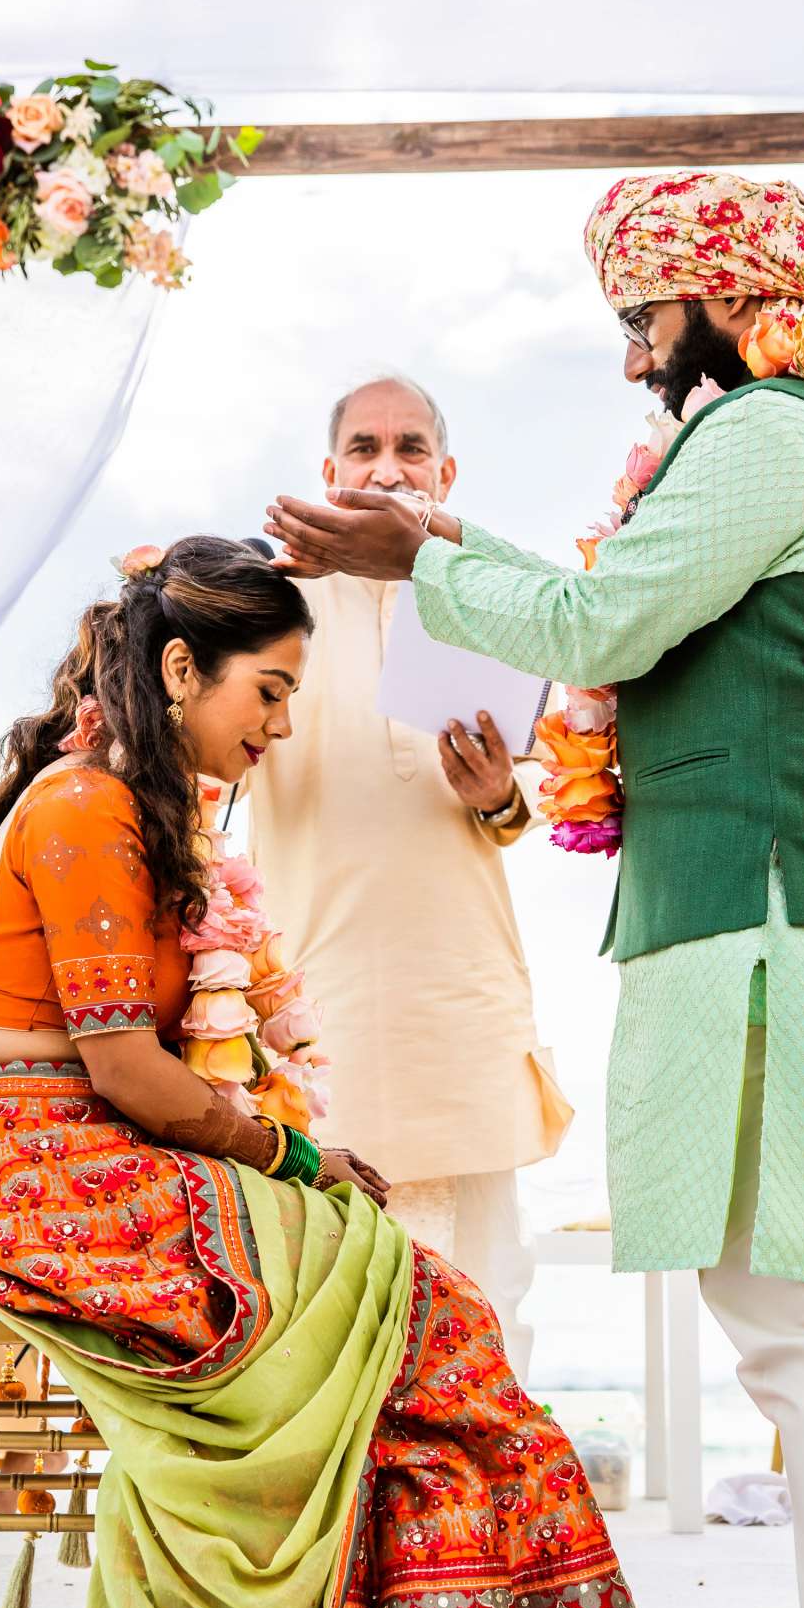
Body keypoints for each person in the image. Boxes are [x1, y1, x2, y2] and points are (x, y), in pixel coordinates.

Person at [266, 169, 804, 1608]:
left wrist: (426, 552)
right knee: (783, 1296)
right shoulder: (776, 434)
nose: (633, 351)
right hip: (760, 907)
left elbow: (597, 619)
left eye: (641, 316)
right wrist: (428, 549)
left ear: (709, 299)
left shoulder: (778, 435)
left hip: (787, 901)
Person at [0, 535, 683, 1608]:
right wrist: (293, 1156)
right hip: (32, 1163)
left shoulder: (141, 805)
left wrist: (290, 1159)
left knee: (414, 1304)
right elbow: (129, 1072)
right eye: (269, 692)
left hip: (103, 1150)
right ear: (186, 669)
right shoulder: (88, 806)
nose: (280, 724)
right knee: (391, 1303)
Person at [245, 374, 570, 1375]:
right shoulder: (267, 604)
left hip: (454, 993)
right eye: (366, 447)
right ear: (329, 471)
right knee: (324, 1295)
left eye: (412, 447)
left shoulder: (489, 598)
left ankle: (482, 1521)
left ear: (447, 471)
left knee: (480, 1292)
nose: (388, 467)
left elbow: (552, 793)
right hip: (315, 990)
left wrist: (495, 797)